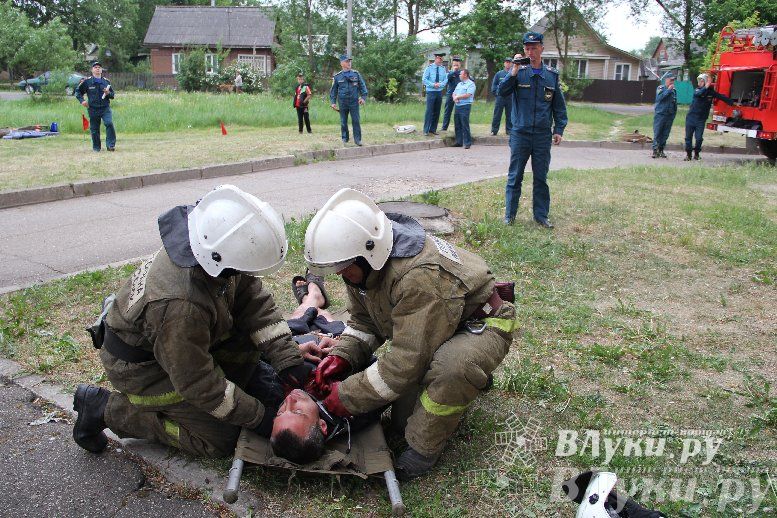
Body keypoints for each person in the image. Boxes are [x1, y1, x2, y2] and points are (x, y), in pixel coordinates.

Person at [72, 185, 320, 458]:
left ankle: (242, 380)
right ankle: (104, 409)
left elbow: (252, 299)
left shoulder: (211, 250)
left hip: (181, 344)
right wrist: (259, 418)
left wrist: (286, 360)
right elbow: (197, 383)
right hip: (145, 370)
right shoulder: (181, 305)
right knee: (220, 437)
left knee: (251, 380)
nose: (244, 273)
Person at [304, 188, 518, 480]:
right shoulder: (364, 266)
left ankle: (424, 450)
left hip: (480, 323)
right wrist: (343, 357)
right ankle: (467, 379)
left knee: (452, 369)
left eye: (343, 268)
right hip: (440, 321)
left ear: (369, 252)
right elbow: (364, 321)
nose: (341, 276)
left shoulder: (418, 277)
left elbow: (406, 362)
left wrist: (347, 396)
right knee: (403, 420)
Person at [498, 32, 568, 229]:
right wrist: (513, 70)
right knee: (515, 176)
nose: (531, 51)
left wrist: (559, 129)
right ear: (524, 50)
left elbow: (559, 106)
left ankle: (541, 216)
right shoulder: (518, 73)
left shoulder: (551, 76)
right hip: (520, 133)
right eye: (527, 48)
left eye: (534, 47)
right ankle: (509, 216)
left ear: (542, 49)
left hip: (542, 136)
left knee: (540, 178)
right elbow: (502, 92)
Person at [684, 73, 735, 161]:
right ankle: (688, 155)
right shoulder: (697, 90)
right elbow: (699, 93)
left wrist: (732, 103)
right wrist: (706, 86)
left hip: (701, 119)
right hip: (691, 118)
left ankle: (696, 154)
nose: (699, 82)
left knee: (699, 138)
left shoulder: (710, 92)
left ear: (705, 82)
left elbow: (721, 97)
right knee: (688, 138)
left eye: (701, 81)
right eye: (699, 81)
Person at [75, 61, 116, 152]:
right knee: (94, 129)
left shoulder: (106, 82)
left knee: (109, 123)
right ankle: (97, 148)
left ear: (101, 70)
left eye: (99, 67)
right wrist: (82, 101)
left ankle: (110, 146)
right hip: (93, 108)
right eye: (95, 67)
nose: (97, 68)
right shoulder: (87, 82)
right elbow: (77, 92)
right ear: (92, 70)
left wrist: (108, 93)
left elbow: (112, 95)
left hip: (105, 108)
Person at [330, 54, 368, 146]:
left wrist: (363, 98)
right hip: (342, 102)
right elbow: (333, 91)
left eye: (349, 61)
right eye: (347, 61)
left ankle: (358, 140)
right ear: (342, 63)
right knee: (343, 121)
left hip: (354, 101)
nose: (349, 63)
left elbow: (363, 87)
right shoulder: (337, 76)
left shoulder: (356, 74)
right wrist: (333, 102)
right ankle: (345, 139)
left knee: (356, 120)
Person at [652, 71, 677, 158]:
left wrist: (673, 115)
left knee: (665, 134)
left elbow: (675, 104)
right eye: (670, 80)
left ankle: (661, 149)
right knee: (658, 132)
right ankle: (655, 150)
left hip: (669, 115)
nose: (672, 82)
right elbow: (659, 98)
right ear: (666, 80)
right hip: (660, 114)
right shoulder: (661, 88)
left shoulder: (674, 91)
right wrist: (668, 90)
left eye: (673, 81)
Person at [422, 53, 448, 136]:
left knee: (437, 111)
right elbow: (424, 79)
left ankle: (433, 129)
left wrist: (440, 85)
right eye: (440, 59)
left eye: (442, 59)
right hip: (431, 91)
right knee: (429, 111)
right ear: (436, 58)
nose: (441, 60)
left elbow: (445, 79)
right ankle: (426, 130)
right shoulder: (429, 68)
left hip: (439, 91)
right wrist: (433, 84)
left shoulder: (443, 68)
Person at [490, 57, 515, 135]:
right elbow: (494, 85)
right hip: (500, 97)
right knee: (497, 114)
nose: (508, 64)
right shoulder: (499, 74)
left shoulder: (513, 73)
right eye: (506, 62)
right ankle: (494, 130)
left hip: (510, 97)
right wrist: (497, 94)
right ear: (504, 63)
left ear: (512, 64)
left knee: (510, 114)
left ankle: (509, 130)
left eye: (509, 62)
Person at [452, 68, 476, 149]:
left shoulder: (471, 84)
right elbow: (454, 93)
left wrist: (458, 97)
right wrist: (454, 98)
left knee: (464, 124)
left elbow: (468, 95)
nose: (459, 75)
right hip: (457, 105)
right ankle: (459, 141)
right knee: (457, 124)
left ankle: (467, 142)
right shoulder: (459, 84)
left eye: (460, 74)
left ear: (465, 75)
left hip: (465, 106)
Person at [441, 57, 462, 132]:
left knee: (458, 112)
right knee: (447, 111)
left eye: (457, 65)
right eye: (454, 65)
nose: (456, 66)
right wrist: (454, 71)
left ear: (460, 65)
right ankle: (444, 128)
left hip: (459, 95)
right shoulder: (449, 73)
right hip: (450, 95)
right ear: (452, 65)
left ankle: (458, 129)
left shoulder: (462, 73)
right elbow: (447, 78)